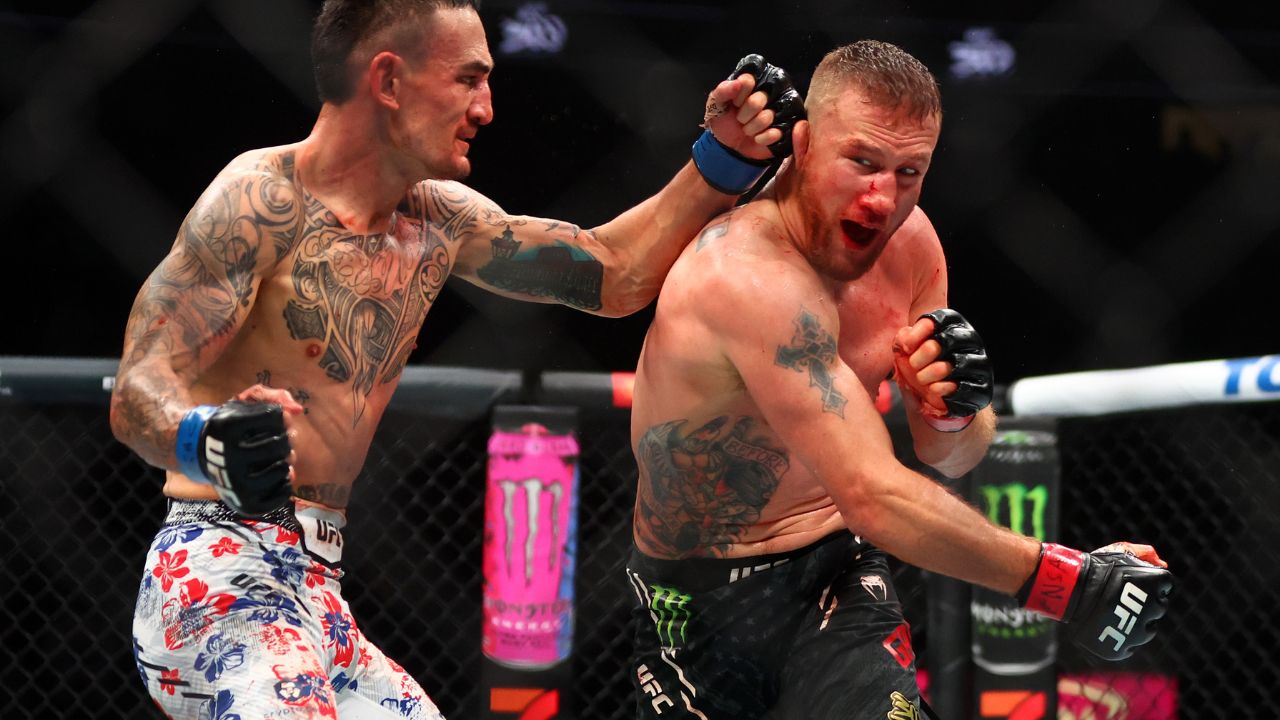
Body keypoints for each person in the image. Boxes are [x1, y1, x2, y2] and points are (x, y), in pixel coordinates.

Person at [108, 0, 803, 717]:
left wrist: (722, 160)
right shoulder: (260, 199)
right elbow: (138, 388)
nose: (487, 108)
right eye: (469, 80)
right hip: (214, 578)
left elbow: (611, 273)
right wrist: (207, 437)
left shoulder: (439, 221)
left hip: (319, 592)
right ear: (388, 80)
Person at [625, 40, 1174, 720]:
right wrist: (1066, 581)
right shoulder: (743, 273)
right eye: (861, 162)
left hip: (835, 575)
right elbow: (871, 494)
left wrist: (949, 412)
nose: (883, 198)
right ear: (802, 143)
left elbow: (952, 455)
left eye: (908, 171)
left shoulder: (912, 248)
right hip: (695, 597)